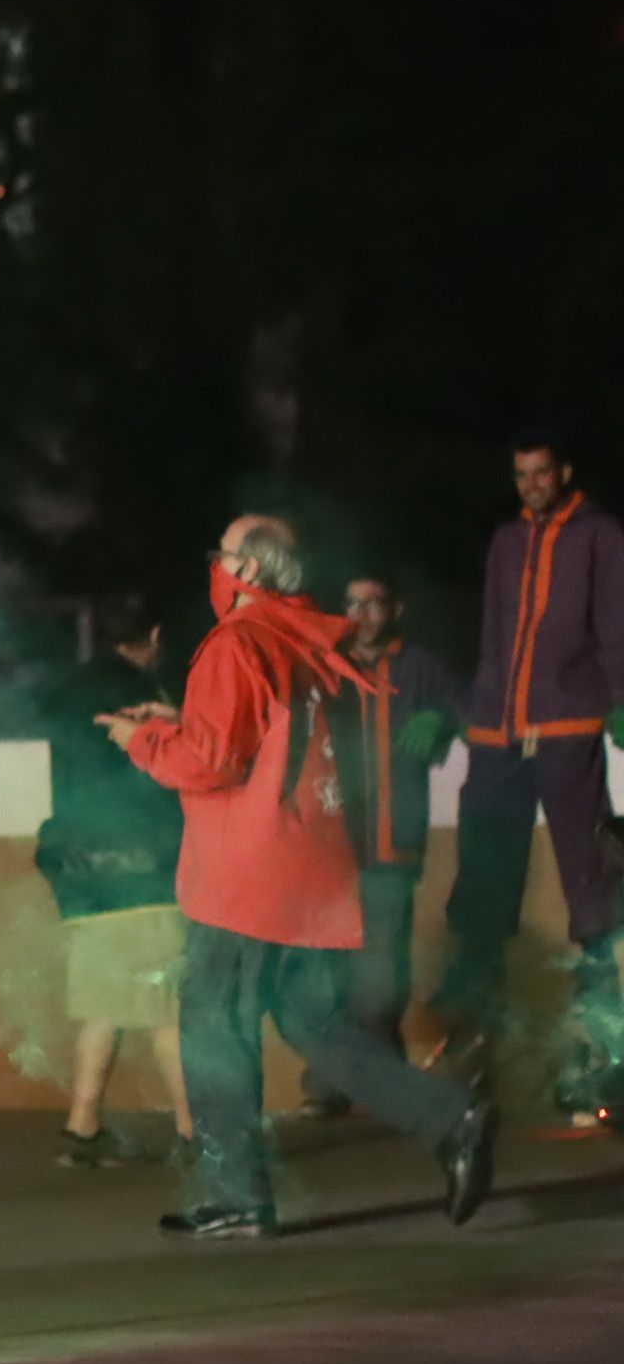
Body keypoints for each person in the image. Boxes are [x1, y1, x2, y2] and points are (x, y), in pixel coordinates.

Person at [101, 514, 496, 1239]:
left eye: (221, 554)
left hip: (245, 877)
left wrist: (145, 738)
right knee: (314, 1022)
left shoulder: (236, 642)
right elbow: (262, 734)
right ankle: (451, 1115)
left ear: (247, 571)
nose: (214, 565)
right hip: (312, 869)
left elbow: (210, 762)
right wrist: (181, 717)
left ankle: (235, 1194)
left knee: (214, 1023)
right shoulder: (304, 639)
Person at [426, 433, 624, 1092]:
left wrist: (619, 698)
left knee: (589, 885)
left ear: (564, 471)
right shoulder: (507, 541)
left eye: (542, 473)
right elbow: (491, 631)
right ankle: (477, 1042)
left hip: (567, 724)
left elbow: (617, 622)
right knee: (483, 884)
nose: (532, 484)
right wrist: (475, 708)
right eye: (522, 475)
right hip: (499, 731)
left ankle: (600, 1050)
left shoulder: (599, 534)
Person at [36, 593, 193, 1165]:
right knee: (170, 1009)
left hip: (81, 879)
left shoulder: (65, 695)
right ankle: (195, 1136)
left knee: (104, 1005)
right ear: (151, 636)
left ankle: (81, 1132)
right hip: (147, 872)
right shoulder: (146, 698)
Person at [298, 572, 458, 1116]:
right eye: (353, 603)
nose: (362, 613)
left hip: (392, 845)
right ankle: (337, 1084)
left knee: (382, 969)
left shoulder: (420, 668)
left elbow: (464, 709)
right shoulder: (324, 665)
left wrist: (442, 719)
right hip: (330, 846)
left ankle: (376, 1082)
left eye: (374, 603)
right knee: (328, 968)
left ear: (396, 609)